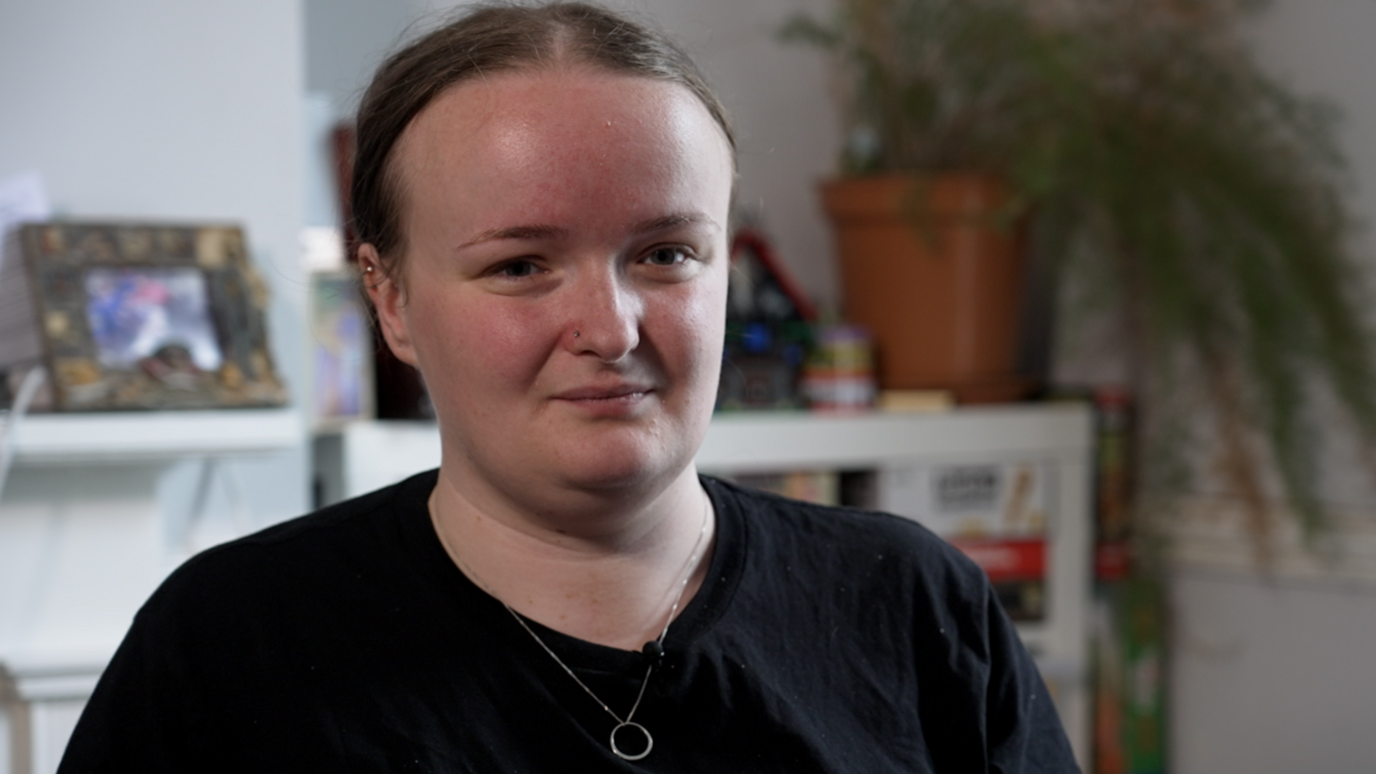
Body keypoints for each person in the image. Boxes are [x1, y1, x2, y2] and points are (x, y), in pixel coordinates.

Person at [58, 3, 1080, 771]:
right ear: (392, 300)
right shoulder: (229, 644)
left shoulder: (910, 604)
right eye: (519, 266)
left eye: (667, 254)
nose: (611, 327)